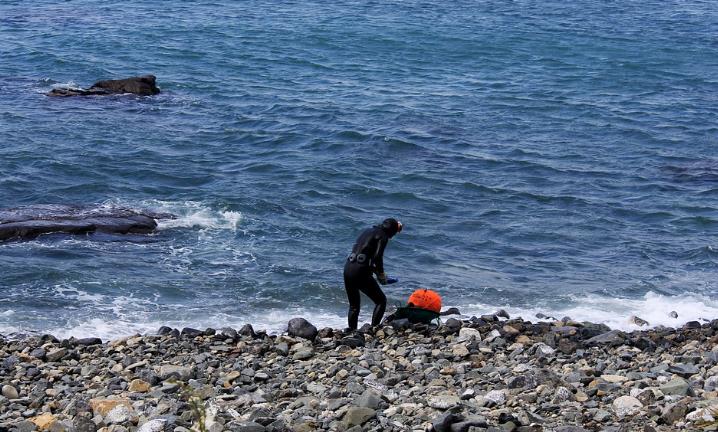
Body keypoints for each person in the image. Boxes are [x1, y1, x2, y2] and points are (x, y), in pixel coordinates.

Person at [343, 218, 403, 330]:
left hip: (348, 268)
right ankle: (373, 329)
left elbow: (364, 256)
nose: (393, 236)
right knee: (381, 301)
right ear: (391, 230)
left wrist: (374, 271)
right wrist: (381, 275)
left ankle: (351, 332)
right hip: (360, 270)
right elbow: (377, 257)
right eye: (394, 233)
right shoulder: (383, 235)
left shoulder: (368, 231)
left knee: (354, 306)